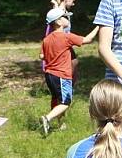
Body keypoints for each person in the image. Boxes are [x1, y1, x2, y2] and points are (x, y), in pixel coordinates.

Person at [40, 7, 99, 136]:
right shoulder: (66, 37)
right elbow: (87, 40)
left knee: (57, 100)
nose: (67, 19)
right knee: (66, 102)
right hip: (62, 75)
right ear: (58, 22)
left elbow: (42, 56)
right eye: (65, 17)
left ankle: (61, 125)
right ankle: (47, 119)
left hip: (49, 75)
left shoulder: (46, 39)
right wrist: (99, 27)